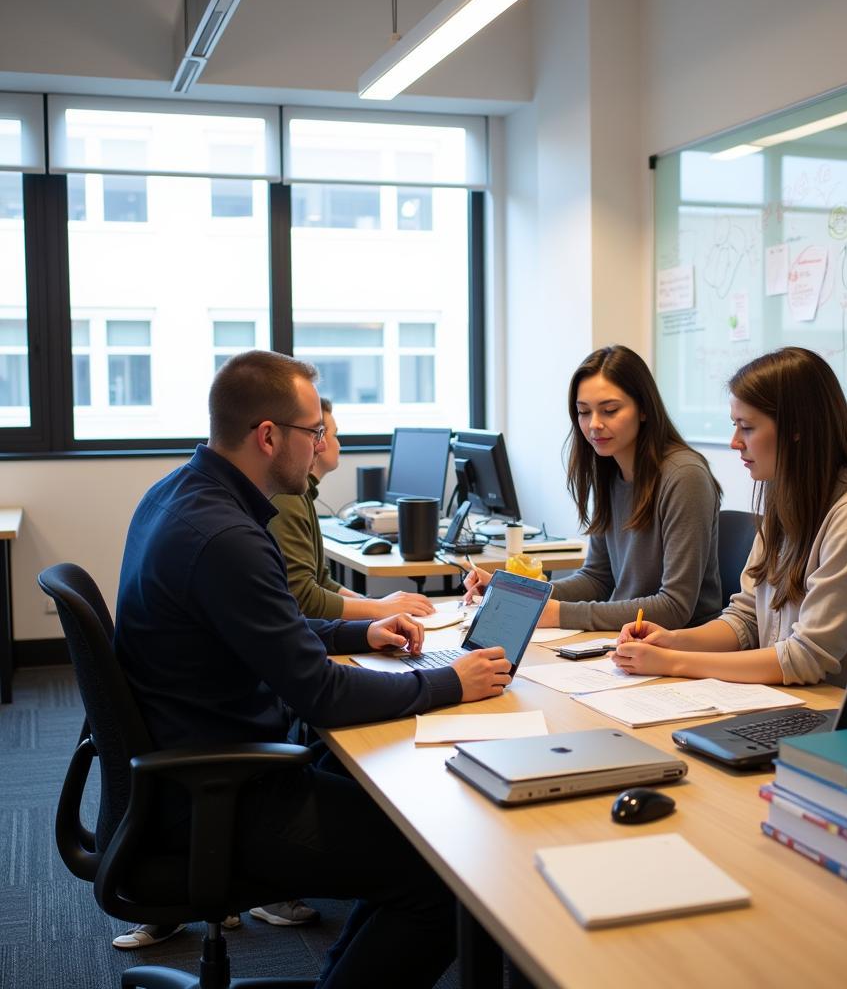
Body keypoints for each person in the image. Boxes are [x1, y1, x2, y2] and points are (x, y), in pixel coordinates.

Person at [113, 350, 511, 987]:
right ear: (269, 437)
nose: (323, 445)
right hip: (219, 795)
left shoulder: (181, 496)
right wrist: (448, 682)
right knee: (441, 872)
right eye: (314, 432)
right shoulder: (225, 537)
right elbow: (320, 694)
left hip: (198, 763)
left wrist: (361, 629)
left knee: (394, 813)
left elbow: (263, 628)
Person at [612, 346, 847, 685]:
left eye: (747, 427)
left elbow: (806, 656)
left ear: (796, 429)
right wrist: (672, 640)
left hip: (828, 711)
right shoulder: (785, 501)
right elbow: (746, 619)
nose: (735, 442)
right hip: (787, 699)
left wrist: (674, 662)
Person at [463, 345, 722, 631]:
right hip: (625, 642)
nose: (594, 424)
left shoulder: (685, 477)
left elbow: (674, 607)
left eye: (610, 410)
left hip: (679, 648)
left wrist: (557, 614)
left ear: (644, 409)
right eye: (584, 412)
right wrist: (519, 592)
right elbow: (598, 578)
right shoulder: (610, 470)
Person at [267, 397, 435, 620]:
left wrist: (378, 605)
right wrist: (380, 609)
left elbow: (321, 582)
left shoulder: (302, 495)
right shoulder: (286, 496)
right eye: (330, 435)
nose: (329, 445)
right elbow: (303, 597)